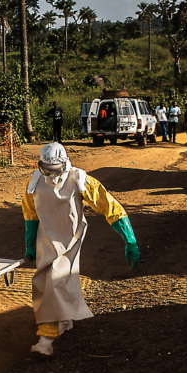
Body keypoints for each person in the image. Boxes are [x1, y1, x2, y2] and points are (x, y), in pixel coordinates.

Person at [22, 143, 140, 356]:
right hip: (45, 239)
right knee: (54, 280)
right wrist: (30, 244)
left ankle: (46, 338)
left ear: (65, 164)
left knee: (53, 280)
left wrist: (128, 238)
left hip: (70, 239)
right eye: (46, 170)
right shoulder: (35, 182)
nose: (50, 175)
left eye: (54, 170)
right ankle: (64, 321)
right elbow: (29, 213)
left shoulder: (79, 179)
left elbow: (108, 205)